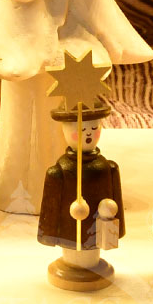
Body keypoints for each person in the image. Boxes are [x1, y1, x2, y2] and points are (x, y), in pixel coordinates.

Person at [37, 96, 123, 290]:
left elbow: (115, 204)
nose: (89, 134)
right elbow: (50, 211)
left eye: (94, 128)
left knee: (92, 241)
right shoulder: (60, 171)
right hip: (70, 228)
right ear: (65, 131)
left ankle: (91, 261)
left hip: (97, 228)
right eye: (81, 130)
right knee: (73, 240)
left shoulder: (107, 167)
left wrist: (110, 214)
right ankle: (74, 263)